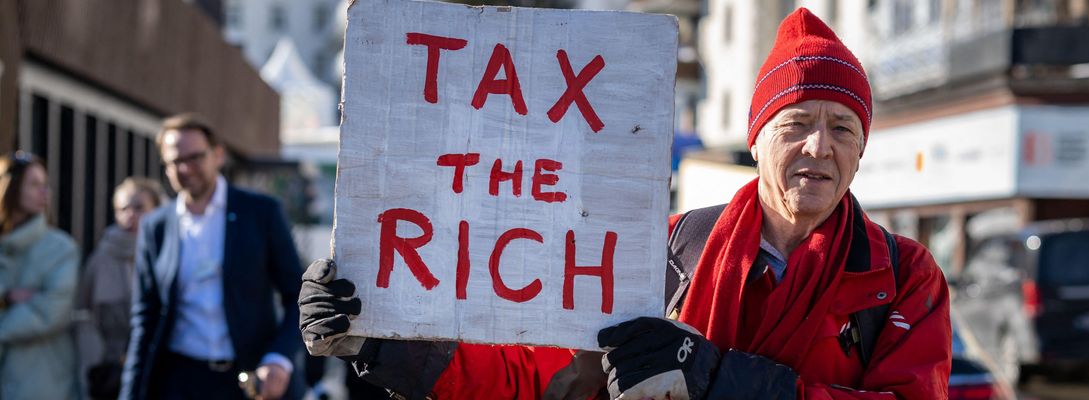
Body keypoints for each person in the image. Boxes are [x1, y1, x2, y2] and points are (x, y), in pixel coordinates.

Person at [299, 8, 952, 399]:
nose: (819, 144)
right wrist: (384, 342)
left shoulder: (904, 278)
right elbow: (539, 377)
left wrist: (716, 378)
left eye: (843, 128)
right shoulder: (663, 247)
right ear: (756, 140)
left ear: (861, 150)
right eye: (796, 122)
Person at [120, 114, 305, 400]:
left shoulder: (260, 213)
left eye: (195, 157)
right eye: (175, 161)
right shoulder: (156, 226)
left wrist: (279, 358)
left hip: (248, 379)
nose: (185, 168)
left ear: (218, 155)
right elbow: (145, 318)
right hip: (179, 380)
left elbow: (298, 295)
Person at [0, 151, 82, 399]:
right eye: (34, 184)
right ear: (10, 187)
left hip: (38, 377)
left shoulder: (60, 248)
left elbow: (51, 311)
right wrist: (8, 297)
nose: (44, 193)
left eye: (45, 185)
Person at [75, 177, 165, 399]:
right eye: (123, 208)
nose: (130, 215)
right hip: (112, 371)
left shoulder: (168, 252)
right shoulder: (101, 258)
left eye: (139, 207)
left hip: (161, 366)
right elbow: (84, 315)